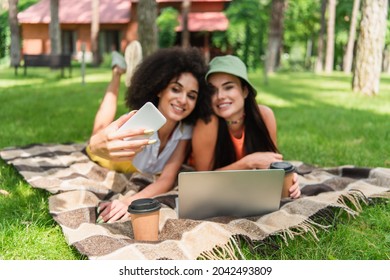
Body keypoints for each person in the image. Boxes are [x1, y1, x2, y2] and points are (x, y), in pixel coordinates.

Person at [87, 46, 211, 223]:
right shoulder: (141, 121)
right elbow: (98, 146)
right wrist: (97, 142)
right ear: (160, 89)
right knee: (99, 129)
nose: (183, 100)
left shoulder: (185, 131)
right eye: (176, 89)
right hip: (112, 161)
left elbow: (167, 180)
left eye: (191, 96)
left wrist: (129, 201)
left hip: (140, 170)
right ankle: (117, 72)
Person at [191, 55, 301, 199]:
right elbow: (200, 181)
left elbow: (272, 166)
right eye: (212, 90)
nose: (220, 96)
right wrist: (248, 162)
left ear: (245, 91)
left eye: (228, 87)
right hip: (214, 189)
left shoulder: (264, 116)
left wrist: (290, 180)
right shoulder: (208, 122)